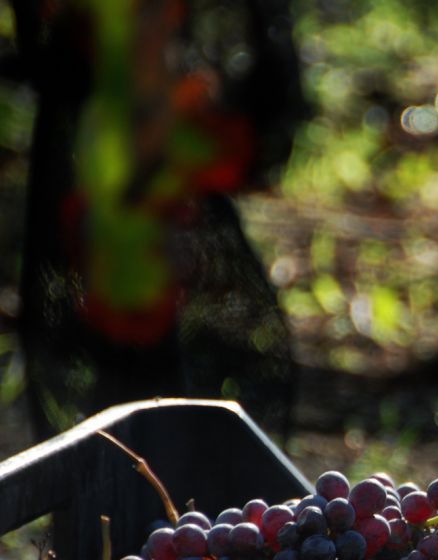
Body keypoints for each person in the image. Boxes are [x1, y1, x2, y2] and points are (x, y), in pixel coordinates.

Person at [9, 0, 307, 439]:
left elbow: (237, 155)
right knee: (126, 401)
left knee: (157, 396)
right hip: (121, 294)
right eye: (151, 14)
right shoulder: (107, 126)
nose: (163, 26)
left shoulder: (166, 112)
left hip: (148, 294)